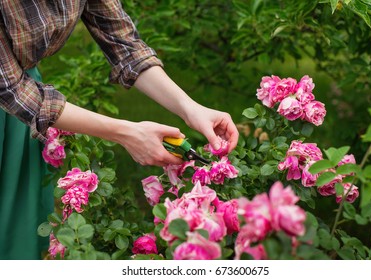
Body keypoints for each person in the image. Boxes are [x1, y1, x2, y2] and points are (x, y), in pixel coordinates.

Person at [0, 1, 239, 259]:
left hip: (24, 106)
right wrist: (127, 133)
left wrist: (190, 108)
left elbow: (124, 45)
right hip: (18, 96)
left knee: (18, 239)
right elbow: (10, 89)